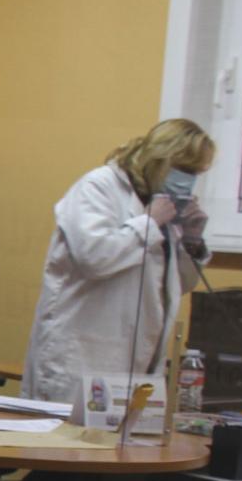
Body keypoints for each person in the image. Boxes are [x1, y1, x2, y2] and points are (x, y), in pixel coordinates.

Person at [23, 119, 213, 406]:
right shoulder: (99, 187)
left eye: (195, 172)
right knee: (66, 446)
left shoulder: (162, 209)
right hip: (81, 356)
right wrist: (148, 223)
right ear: (159, 159)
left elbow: (177, 286)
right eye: (184, 169)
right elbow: (94, 258)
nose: (188, 179)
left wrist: (192, 241)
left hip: (137, 364)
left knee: (124, 448)